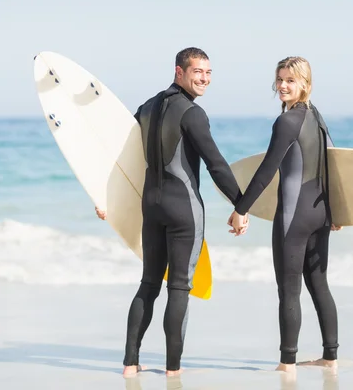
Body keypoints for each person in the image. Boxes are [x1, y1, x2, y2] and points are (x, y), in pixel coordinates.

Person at [96, 47, 247, 377]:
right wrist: (241, 205)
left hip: (151, 207)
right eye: (198, 72)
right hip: (184, 210)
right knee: (179, 287)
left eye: (208, 73)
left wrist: (104, 196)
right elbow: (216, 165)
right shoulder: (193, 113)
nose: (204, 79)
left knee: (148, 283)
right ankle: (173, 370)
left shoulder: (147, 108)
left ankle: (130, 364)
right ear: (179, 72)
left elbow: (124, 159)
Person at [228, 56, 341, 374]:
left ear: (305, 83)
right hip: (320, 214)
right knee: (319, 285)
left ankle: (287, 363)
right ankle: (330, 357)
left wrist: (241, 209)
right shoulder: (316, 117)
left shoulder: (287, 121)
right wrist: (338, 210)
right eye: (279, 79)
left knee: (289, 290)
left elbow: (266, 170)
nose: (282, 86)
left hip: (294, 217)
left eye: (290, 80)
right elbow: (335, 161)